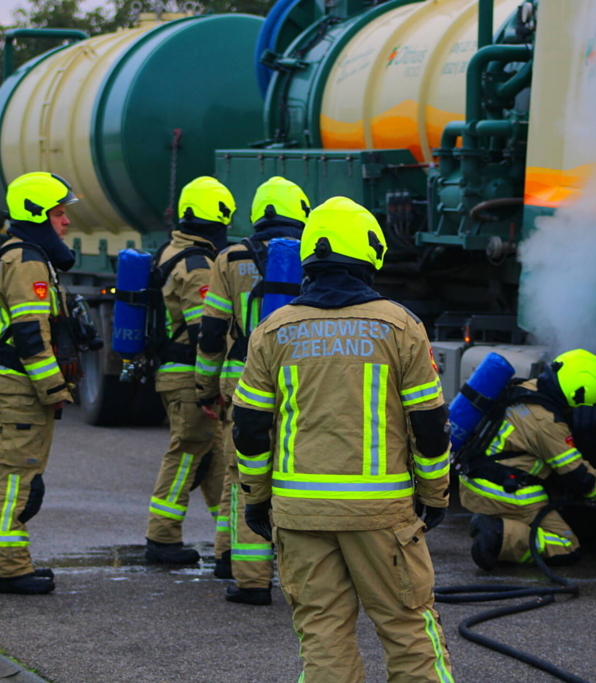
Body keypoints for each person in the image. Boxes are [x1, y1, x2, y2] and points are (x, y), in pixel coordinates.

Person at [232, 197, 455, 683]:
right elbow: (430, 425)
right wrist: (435, 495)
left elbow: (249, 428)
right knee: (408, 628)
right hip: (381, 516)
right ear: (370, 252)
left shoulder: (272, 330)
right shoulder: (400, 327)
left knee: (323, 636)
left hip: (299, 515)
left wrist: (257, 498)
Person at [196, 176, 310, 602]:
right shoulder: (312, 253)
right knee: (295, 473)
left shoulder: (229, 258)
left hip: (242, 377)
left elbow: (212, 332)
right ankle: (300, 576)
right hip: (297, 378)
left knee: (242, 473)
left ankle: (245, 574)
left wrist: (205, 387)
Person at [0, 172, 80, 595]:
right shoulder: (26, 261)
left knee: (17, 479)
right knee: (15, 482)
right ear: (37, 214)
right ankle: (8, 570)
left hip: (14, 388)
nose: (66, 222)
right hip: (19, 391)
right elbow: (29, 335)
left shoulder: (24, 255)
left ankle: (12, 563)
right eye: (58, 213)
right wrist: (54, 389)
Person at [461, 349, 596, 569]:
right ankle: (498, 535)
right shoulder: (547, 423)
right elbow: (579, 476)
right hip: (505, 493)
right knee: (566, 546)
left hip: (476, 479)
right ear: (578, 394)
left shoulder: (526, 387)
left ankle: (503, 525)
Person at [144, 176, 234, 565]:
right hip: (188, 375)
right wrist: (209, 386)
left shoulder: (171, 250)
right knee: (185, 453)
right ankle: (162, 538)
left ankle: (230, 537)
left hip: (175, 370)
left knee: (213, 456)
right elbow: (204, 333)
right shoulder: (198, 266)